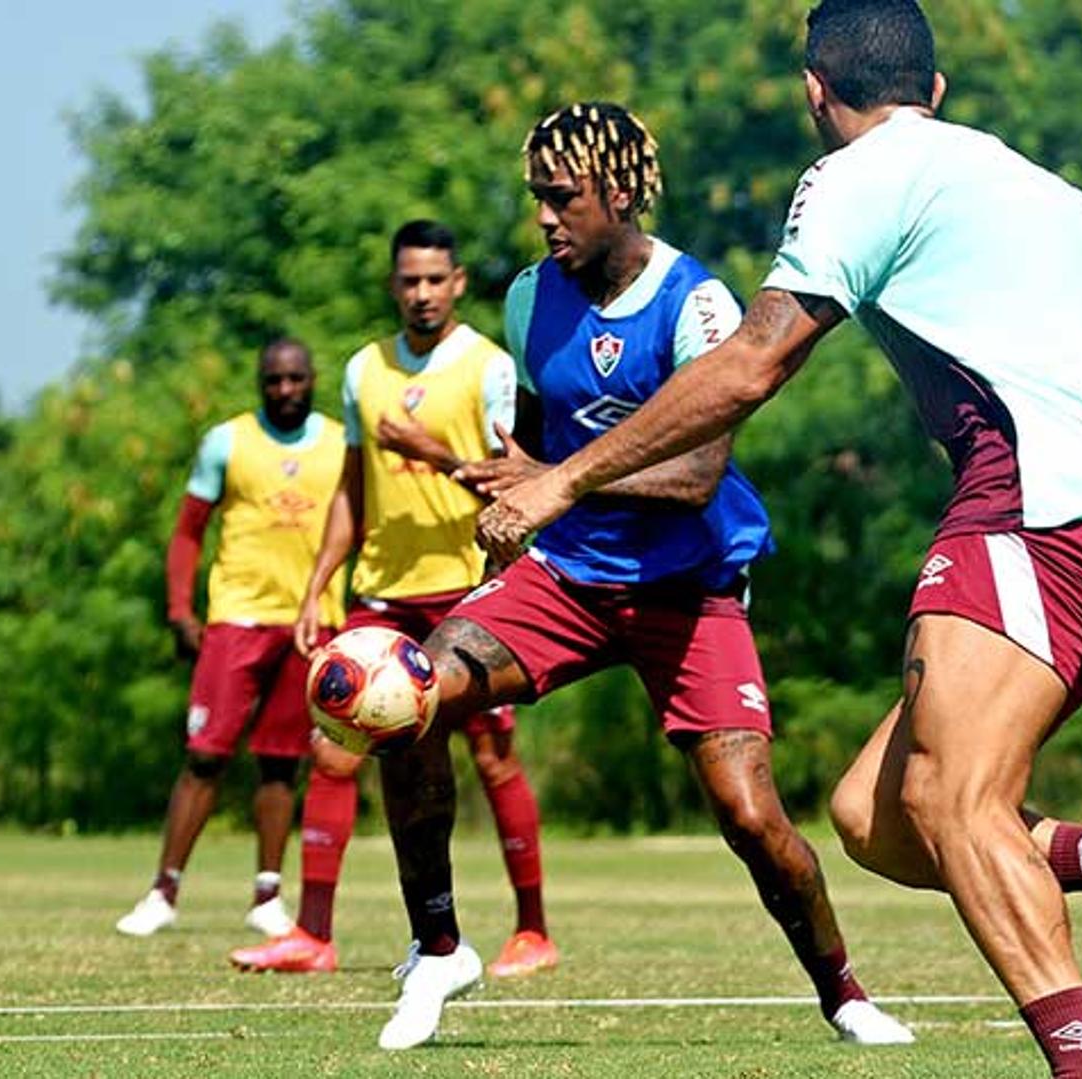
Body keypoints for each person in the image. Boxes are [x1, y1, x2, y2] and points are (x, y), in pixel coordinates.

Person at [472, 5, 1082, 1077]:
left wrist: (559, 480)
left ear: (814, 90)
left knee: (963, 803)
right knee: (883, 814)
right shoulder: (1031, 179)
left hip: (1026, 509)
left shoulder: (853, 178)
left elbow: (753, 361)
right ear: (933, 90)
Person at [364, 102, 914, 1053]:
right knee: (408, 695)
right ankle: (439, 943)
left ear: (618, 194)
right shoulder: (534, 295)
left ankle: (845, 992)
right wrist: (509, 498)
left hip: (688, 588)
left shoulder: (698, 304)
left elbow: (698, 475)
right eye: (537, 197)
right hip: (567, 577)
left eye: (561, 197)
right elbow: (535, 441)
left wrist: (551, 483)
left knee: (750, 814)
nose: (543, 217)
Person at [226, 220, 557, 980]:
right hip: (381, 591)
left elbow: (516, 480)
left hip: (464, 585)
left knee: (491, 753)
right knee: (334, 747)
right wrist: (319, 586)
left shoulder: (488, 368)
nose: (421, 293)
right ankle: (313, 934)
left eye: (435, 279)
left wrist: (431, 452)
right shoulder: (361, 369)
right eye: (409, 280)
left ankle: (532, 929)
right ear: (393, 285)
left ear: (459, 283)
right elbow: (352, 490)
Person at [116, 339, 344, 941]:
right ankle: (163, 891)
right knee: (205, 754)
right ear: (260, 382)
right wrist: (178, 609)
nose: (285, 390)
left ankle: (267, 895)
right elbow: (189, 531)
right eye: (274, 380)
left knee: (281, 762)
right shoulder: (228, 440)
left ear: (312, 379)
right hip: (237, 616)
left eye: (296, 379)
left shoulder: (339, 442)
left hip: (309, 622)